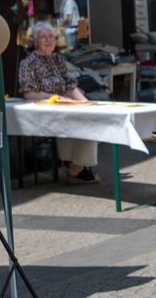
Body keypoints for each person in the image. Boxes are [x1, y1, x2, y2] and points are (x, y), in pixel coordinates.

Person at [18, 21, 99, 184]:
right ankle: (75, 168)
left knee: (90, 115)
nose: (48, 40)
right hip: (43, 107)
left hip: (63, 103)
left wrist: (85, 102)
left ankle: (76, 165)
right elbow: (29, 93)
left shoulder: (57, 59)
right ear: (35, 41)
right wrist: (54, 97)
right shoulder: (28, 64)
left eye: (51, 36)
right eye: (43, 37)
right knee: (77, 120)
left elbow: (69, 85)